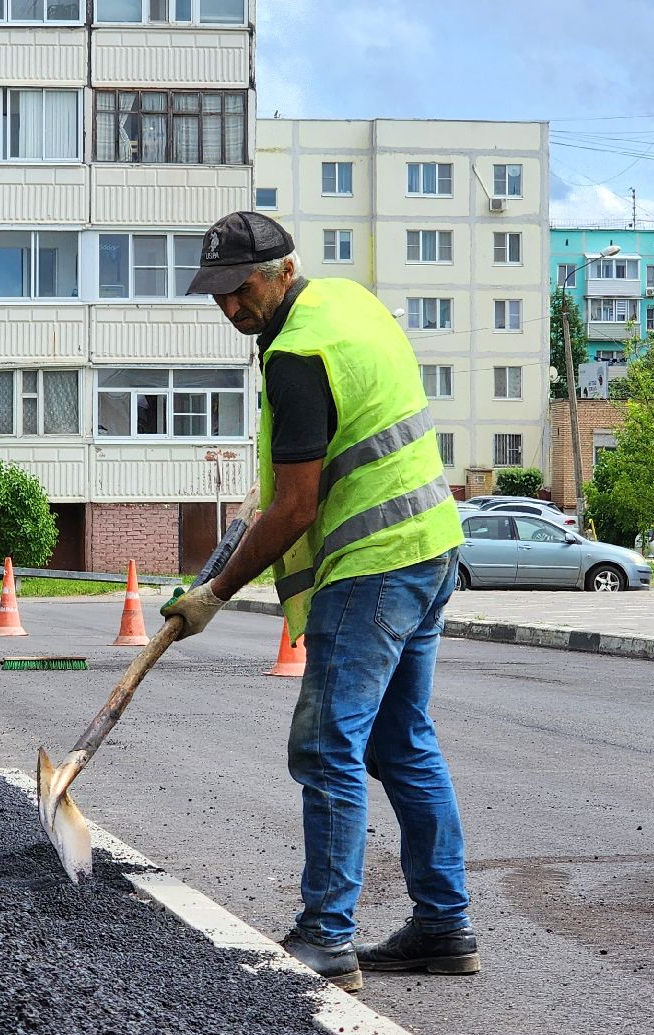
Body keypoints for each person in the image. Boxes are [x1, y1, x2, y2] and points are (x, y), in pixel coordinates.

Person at [164, 211, 475, 993]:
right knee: (401, 743)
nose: (230, 308)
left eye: (239, 290)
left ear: (280, 271)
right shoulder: (348, 305)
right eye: (217, 295)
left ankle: (327, 935)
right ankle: (444, 925)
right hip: (432, 549)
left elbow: (299, 508)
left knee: (327, 747)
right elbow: (297, 475)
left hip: (372, 568)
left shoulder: (297, 356)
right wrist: (235, 541)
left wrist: (214, 595)